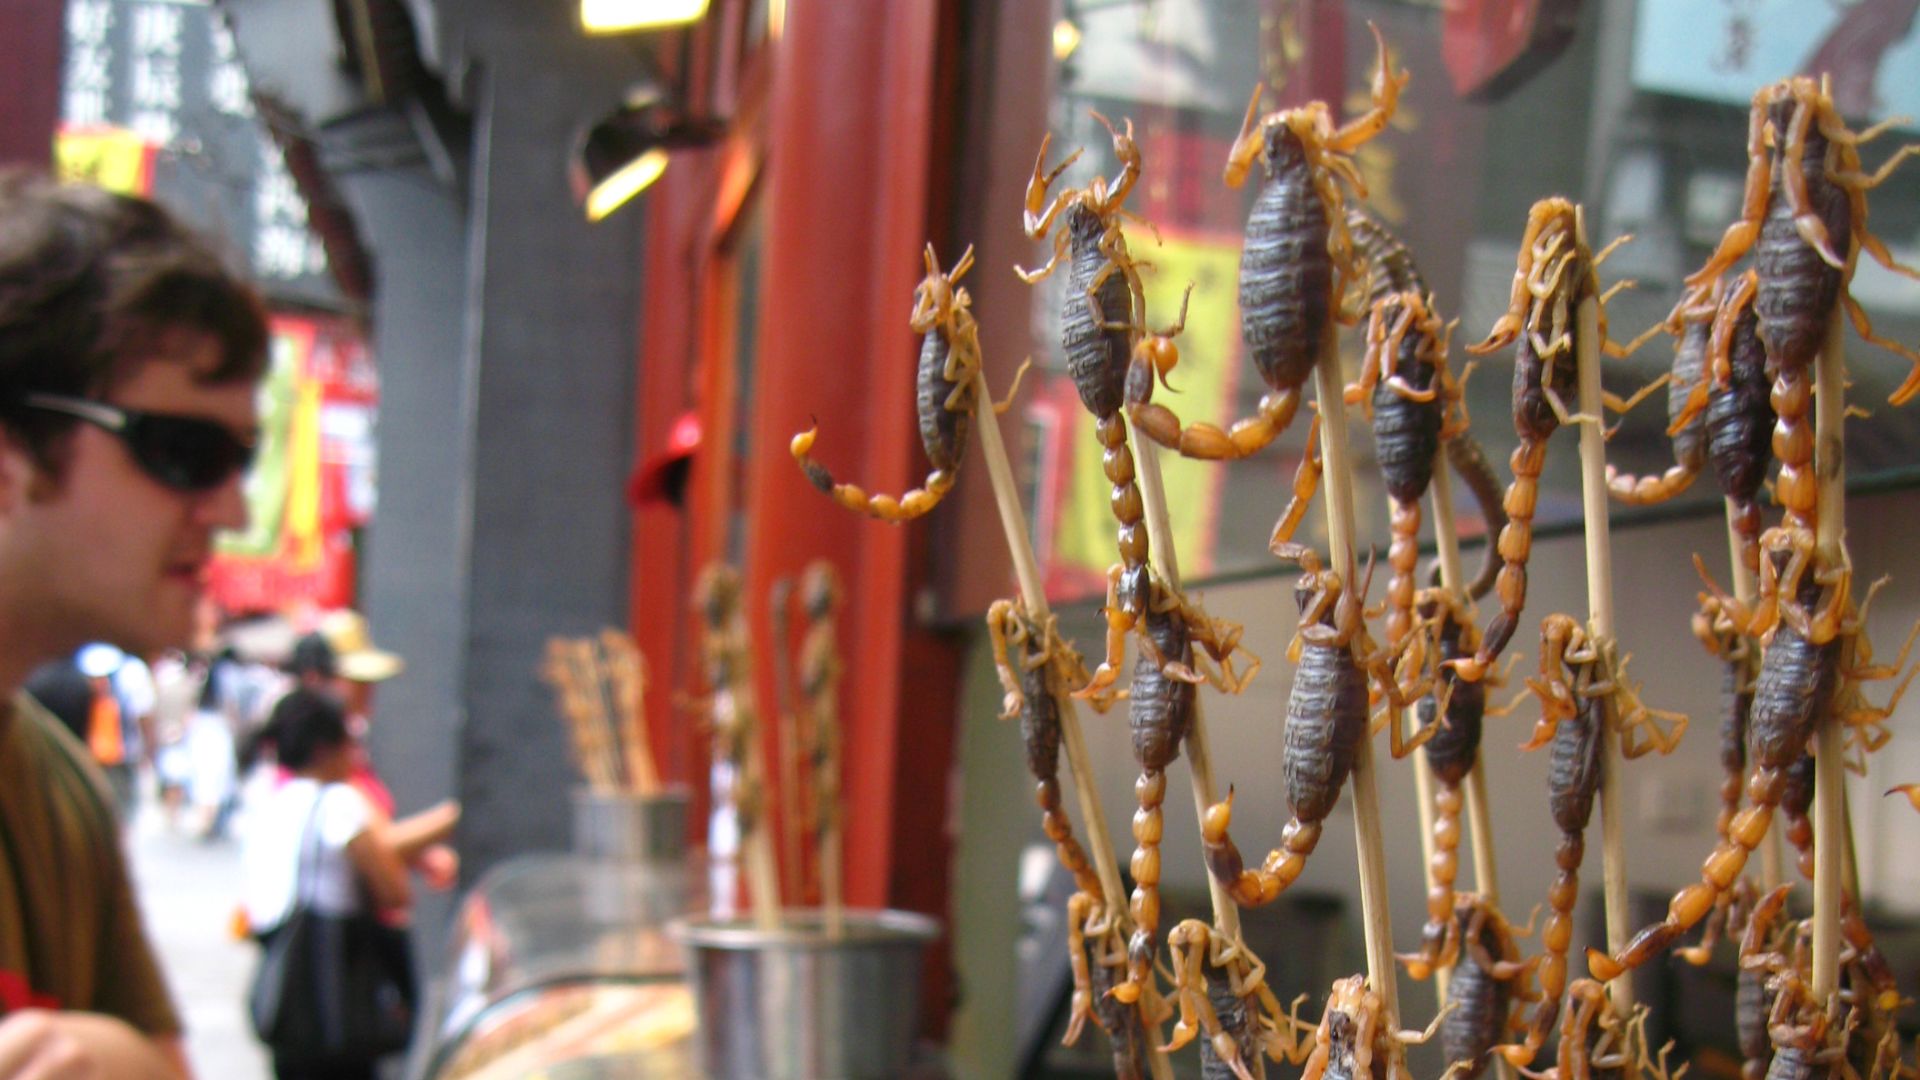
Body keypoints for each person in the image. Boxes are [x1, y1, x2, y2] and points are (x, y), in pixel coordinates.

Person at [0, 171, 269, 1078]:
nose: (230, 508)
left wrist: (111, 1057)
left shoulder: (56, 783)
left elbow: (160, 1061)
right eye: (184, 451)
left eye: (244, 456)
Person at [242, 688, 451, 1080]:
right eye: (349, 744)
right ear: (325, 749)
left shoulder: (270, 802)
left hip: (283, 991)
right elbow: (394, 891)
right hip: (333, 992)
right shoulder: (339, 804)